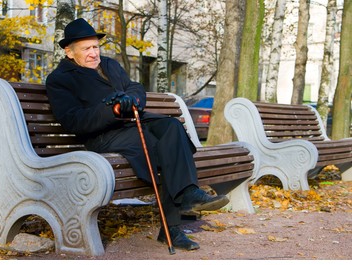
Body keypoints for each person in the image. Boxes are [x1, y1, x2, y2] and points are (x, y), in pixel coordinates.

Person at [46, 18, 229, 251]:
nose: (93, 53)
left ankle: (188, 193)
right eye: (86, 49)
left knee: (172, 128)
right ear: (69, 52)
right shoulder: (60, 80)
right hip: (103, 135)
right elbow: (73, 121)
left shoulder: (111, 65)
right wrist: (111, 110)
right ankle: (173, 226)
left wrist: (131, 99)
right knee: (159, 147)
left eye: (95, 47)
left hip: (135, 124)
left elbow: (135, 87)